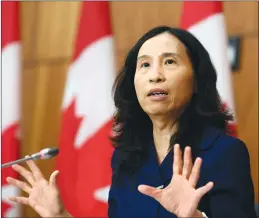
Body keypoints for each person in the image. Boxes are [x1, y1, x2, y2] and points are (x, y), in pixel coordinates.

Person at [6, 26, 257, 218]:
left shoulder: (225, 152)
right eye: (144, 65)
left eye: (169, 62)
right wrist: (60, 215)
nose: (155, 75)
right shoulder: (126, 157)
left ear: (196, 82)